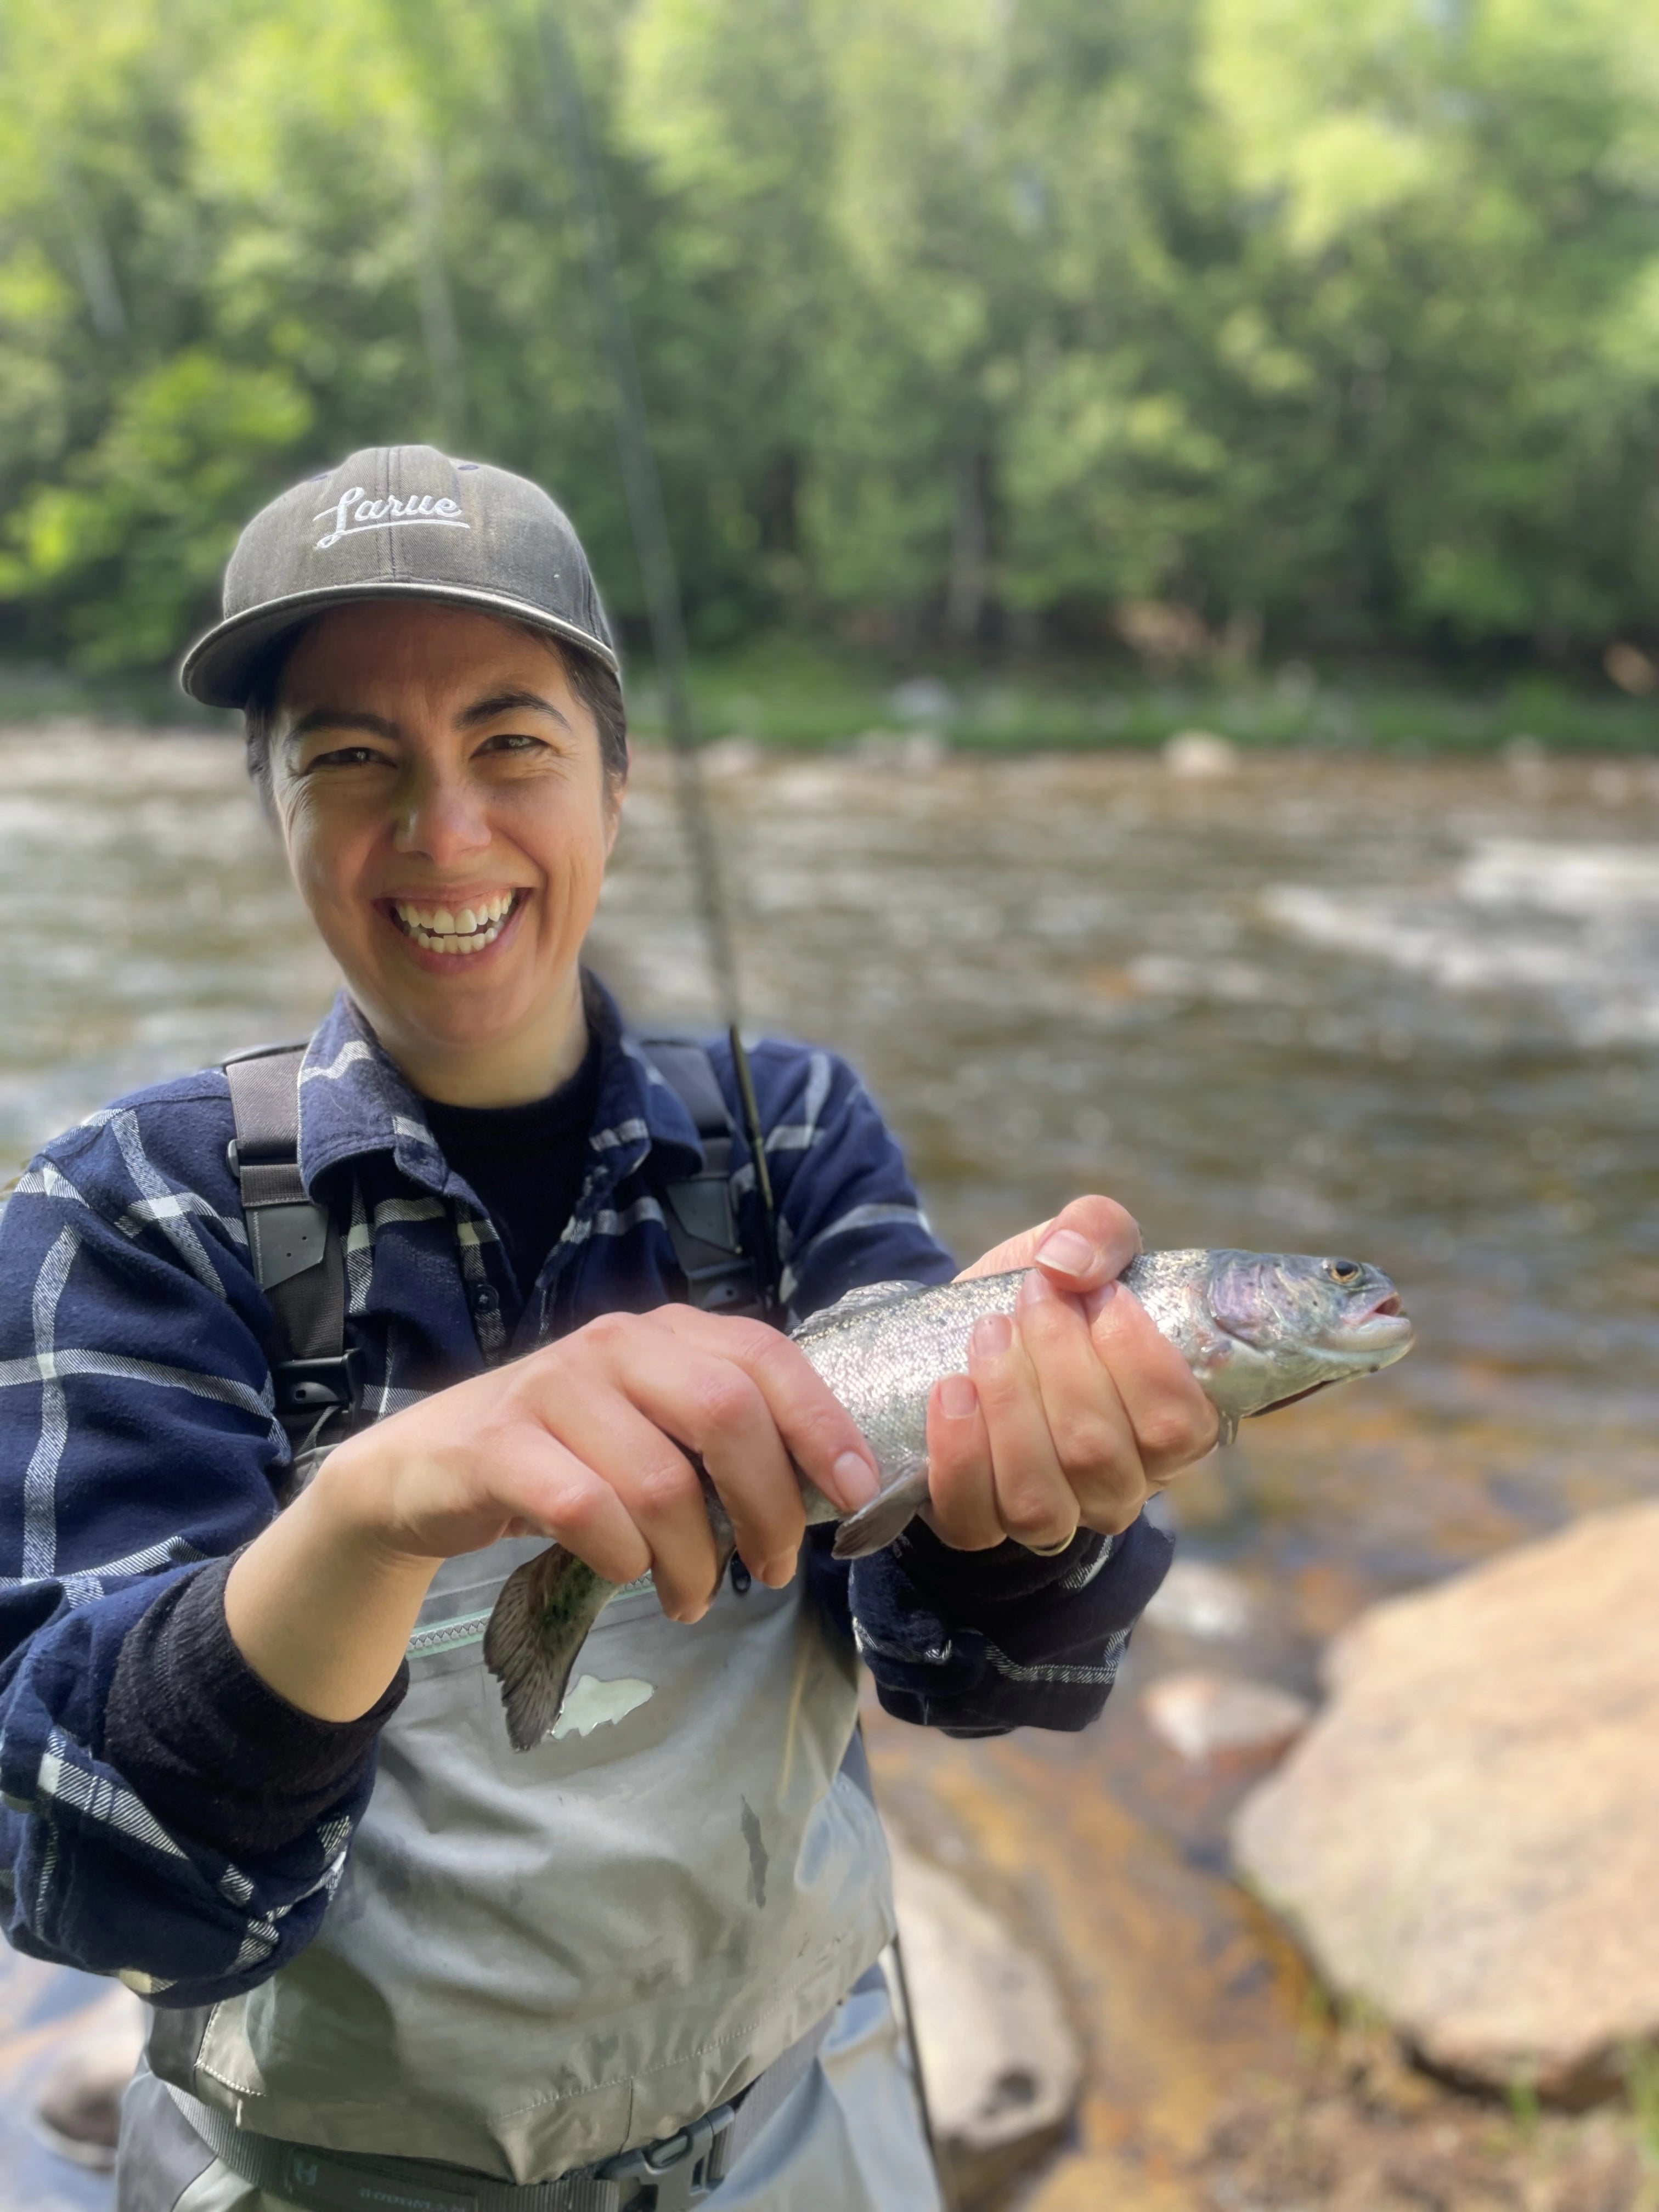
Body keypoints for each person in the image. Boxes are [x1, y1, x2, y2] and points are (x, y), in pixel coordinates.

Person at [0, 448, 1218, 2212]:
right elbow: (96, 1872)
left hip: (797, 2134)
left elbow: (966, 1668)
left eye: (513, 744)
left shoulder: (790, 1134)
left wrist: (1040, 1513)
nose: (444, 832)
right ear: (270, 802)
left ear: (618, 786)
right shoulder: (128, 1211)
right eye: (351, 757)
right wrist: (363, 1517)